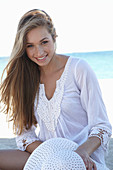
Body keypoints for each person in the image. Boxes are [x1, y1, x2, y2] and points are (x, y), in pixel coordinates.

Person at [0, 9, 112, 170]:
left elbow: (102, 126)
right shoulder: (25, 78)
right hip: (46, 155)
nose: (38, 52)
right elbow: (25, 135)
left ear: (54, 37)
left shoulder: (78, 69)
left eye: (44, 42)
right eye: (30, 46)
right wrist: (51, 155)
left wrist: (81, 152)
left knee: (64, 164)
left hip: (81, 156)